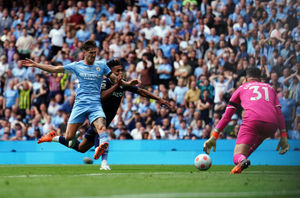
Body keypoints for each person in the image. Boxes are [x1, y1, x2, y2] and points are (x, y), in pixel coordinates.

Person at [39, 58, 172, 170]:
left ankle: (54, 138)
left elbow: (141, 91)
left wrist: (159, 99)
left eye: (121, 70)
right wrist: (116, 85)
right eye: (117, 71)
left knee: (81, 148)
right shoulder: (104, 83)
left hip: (106, 119)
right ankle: (104, 164)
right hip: (96, 116)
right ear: (109, 72)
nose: (120, 73)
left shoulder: (123, 83)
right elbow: (101, 97)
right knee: (101, 134)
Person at [22, 40, 138, 161]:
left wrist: (128, 83)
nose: (93, 55)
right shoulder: (76, 66)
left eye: (95, 52)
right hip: (80, 105)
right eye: (91, 52)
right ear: (84, 52)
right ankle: (56, 137)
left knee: (102, 127)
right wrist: (36, 65)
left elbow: (115, 80)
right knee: (68, 137)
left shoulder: (101, 66)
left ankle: (101, 149)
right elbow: (55, 69)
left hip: (95, 104)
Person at [203, 68, 289, 174]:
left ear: (246, 78)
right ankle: (241, 164)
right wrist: (284, 136)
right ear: (260, 79)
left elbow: (227, 117)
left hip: (252, 121)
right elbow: (279, 113)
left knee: (237, 156)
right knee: (253, 143)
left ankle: (241, 161)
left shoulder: (241, 88)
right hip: (272, 125)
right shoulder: (270, 88)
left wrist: (214, 136)